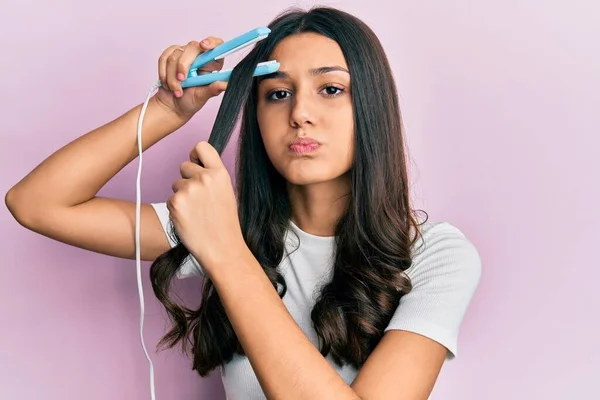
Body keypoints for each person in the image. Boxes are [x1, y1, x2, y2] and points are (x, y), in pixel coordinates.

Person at [5, 6, 481, 400]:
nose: (300, 114)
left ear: (372, 107)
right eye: (278, 93)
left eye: (331, 89)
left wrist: (226, 252)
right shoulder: (223, 224)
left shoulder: (435, 256)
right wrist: (169, 110)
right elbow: (36, 204)